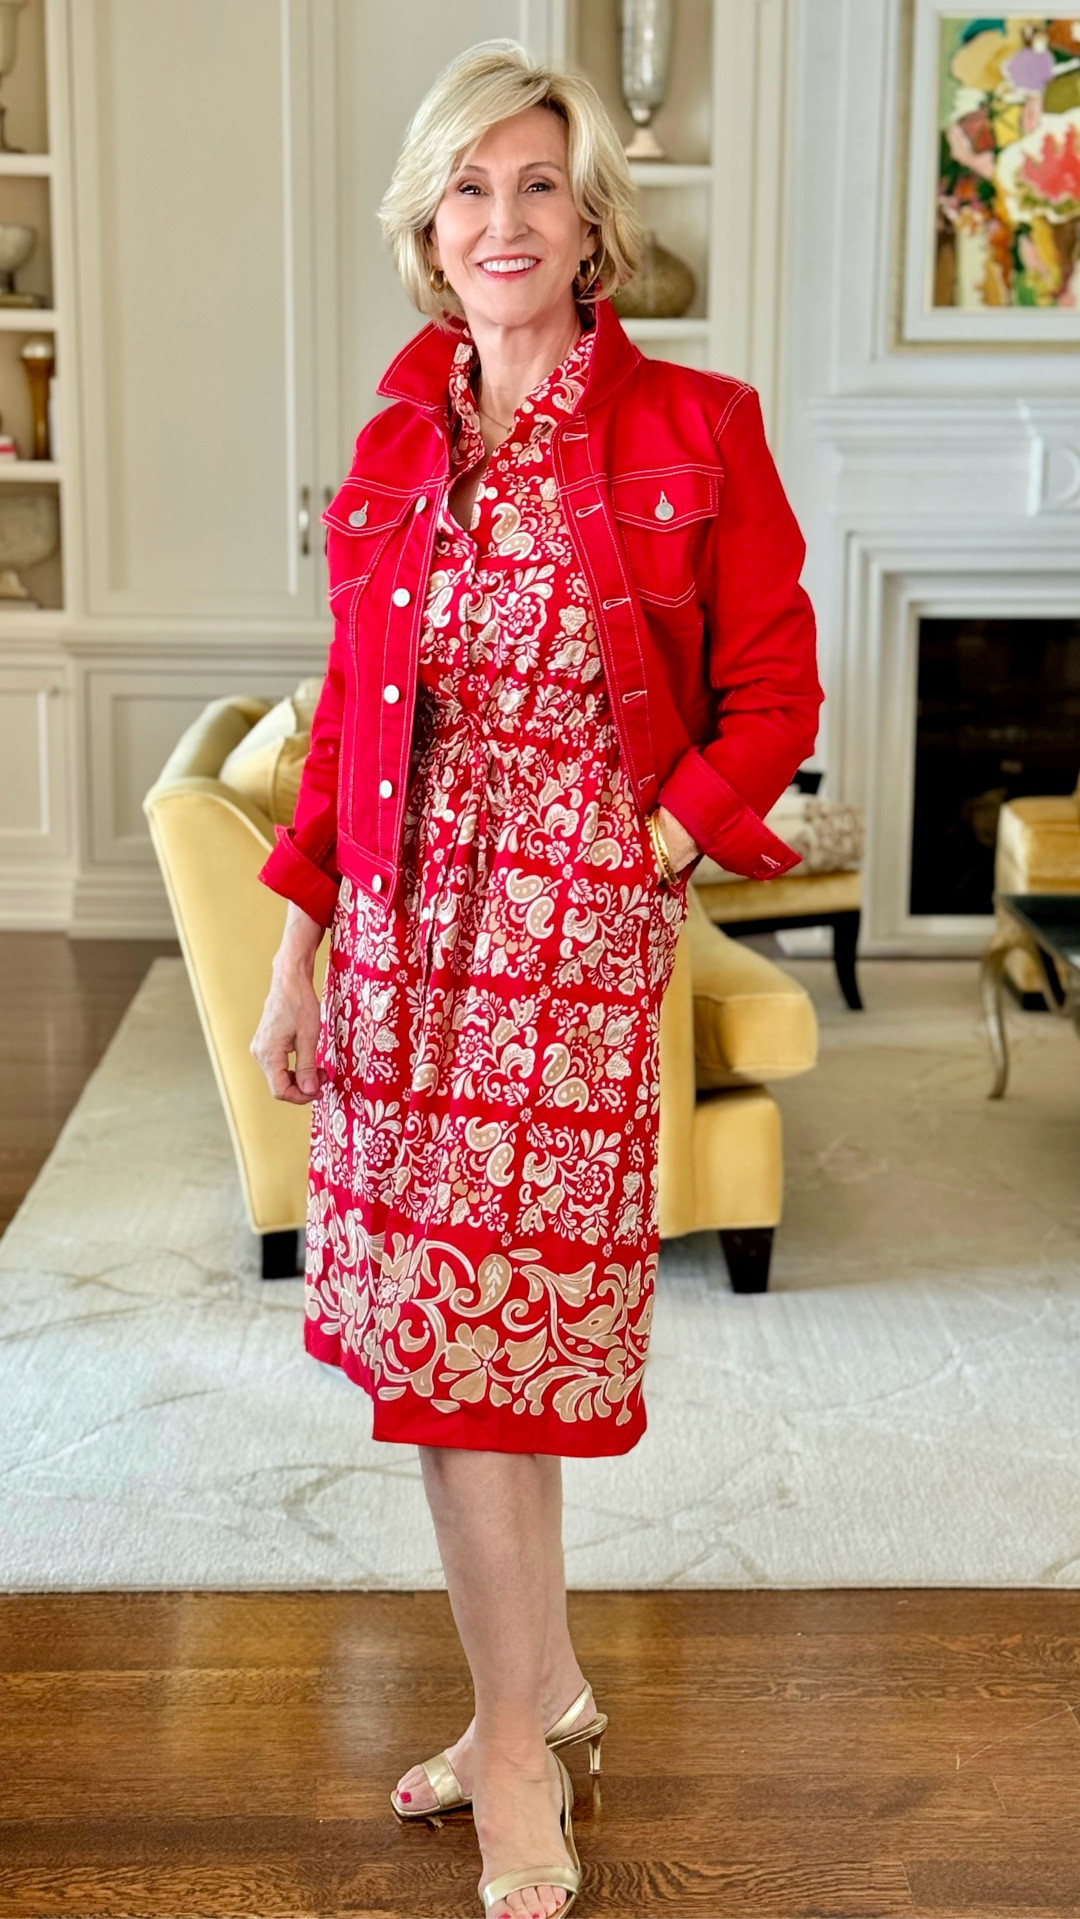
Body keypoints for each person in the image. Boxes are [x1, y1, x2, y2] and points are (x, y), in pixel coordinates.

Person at [250, 38, 822, 1919]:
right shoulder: (392, 450)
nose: (503, 220)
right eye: (468, 189)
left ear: (592, 229)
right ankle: (538, 1702)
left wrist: (645, 854)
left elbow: (775, 698)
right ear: (429, 230)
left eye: (539, 186)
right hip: (402, 952)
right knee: (436, 1366)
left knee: (498, 1363)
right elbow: (351, 728)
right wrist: (297, 954)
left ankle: (515, 1754)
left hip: (561, 956)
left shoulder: (696, 429)